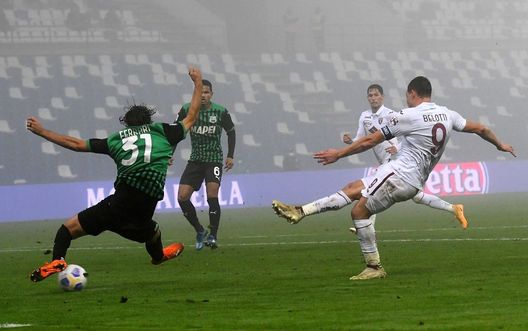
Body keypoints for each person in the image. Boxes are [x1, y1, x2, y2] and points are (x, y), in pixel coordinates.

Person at [272, 76, 515, 281]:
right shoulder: (447, 114)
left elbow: (369, 141)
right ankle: (300, 211)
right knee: (353, 188)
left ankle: (374, 267)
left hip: (399, 175)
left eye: (407, 95)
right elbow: (481, 128)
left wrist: (339, 154)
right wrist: (500, 144)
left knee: (359, 212)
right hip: (411, 178)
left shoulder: (408, 115)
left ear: (412, 93)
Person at [27, 67, 203, 282]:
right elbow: (191, 116)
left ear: (126, 123)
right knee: (152, 231)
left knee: (67, 229)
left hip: (119, 203)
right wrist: (197, 82)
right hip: (145, 207)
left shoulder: (115, 140)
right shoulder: (164, 131)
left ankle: (58, 260)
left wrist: (42, 131)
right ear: (148, 120)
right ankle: (158, 256)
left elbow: (76, 144)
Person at [343, 84, 468, 233]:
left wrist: (398, 147)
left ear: (382, 97)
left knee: (372, 190)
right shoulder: (364, 116)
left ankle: (365, 225)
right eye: (370, 95)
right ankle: (454, 208)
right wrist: (351, 141)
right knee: (416, 196)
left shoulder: (392, 114)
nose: (373, 98)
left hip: (396, 161)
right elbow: (360, 138)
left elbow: (408, 136)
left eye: (376, 95)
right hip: (385, 162)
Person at [176, 79, 236, 250]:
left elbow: (231, 132)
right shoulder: (187, 110)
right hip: (195, 159)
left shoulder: (220, 111)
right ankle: (199, 230)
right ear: (195, 94)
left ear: (211, 94)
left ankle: (213, 236)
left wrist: (230, 156)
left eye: (206, 92)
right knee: (182, 197)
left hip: (214, 159)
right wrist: (168, 154)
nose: (203, 95)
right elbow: (175, 132)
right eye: (200, 92)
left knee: (212, 195)